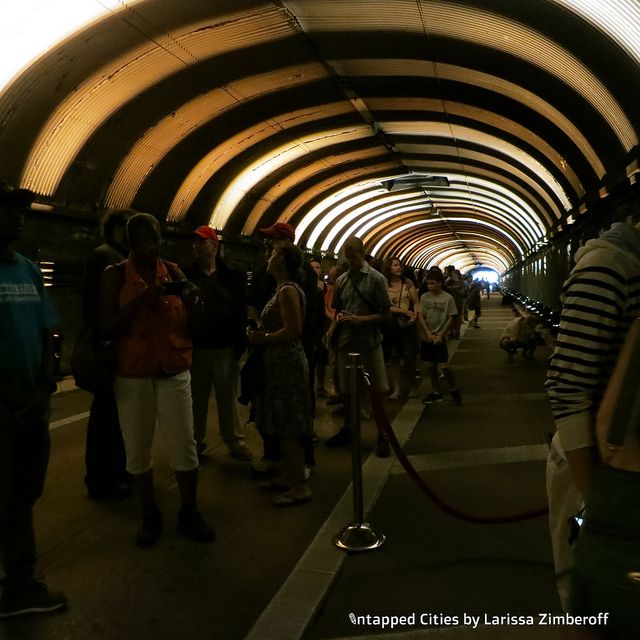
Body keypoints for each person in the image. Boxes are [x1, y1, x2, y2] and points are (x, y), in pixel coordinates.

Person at [99, 213, 214, 548]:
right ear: (131, 243)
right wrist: (143, 299)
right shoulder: (115, 275)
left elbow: (195, 326)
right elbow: (107, 326)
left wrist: (194, 302)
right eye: (147, 240)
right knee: (137, 447)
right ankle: (149, 512)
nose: (154, 247)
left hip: (173, 370)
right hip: (134, 374)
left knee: (184, 444)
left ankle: (189, 510)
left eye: (158, 240)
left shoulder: (174, 272)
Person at [545, 220, 640, 613]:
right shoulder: (608, 265)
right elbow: (569, 388)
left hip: (623, 470)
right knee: (597, 605)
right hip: (597, 464)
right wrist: (599, 502)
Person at [0, 183, 67, 617]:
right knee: (9, 497)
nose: (20, 217)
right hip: (3, 409)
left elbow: (48, 329)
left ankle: (19, 579)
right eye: (10, 210)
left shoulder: (26, 268)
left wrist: (44, 383)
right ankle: (19, 586)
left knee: (24, 492)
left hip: (30, 406)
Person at [247, 222, 319, 475]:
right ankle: (280, 464)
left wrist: (264, 336)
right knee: (274, 413)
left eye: (274, 241)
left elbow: (297, 326)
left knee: (291, 416)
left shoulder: (295, 281)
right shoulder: (266, 274)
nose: (269, 247)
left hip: (289, 354)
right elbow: (253, 302)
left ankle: (299, 470)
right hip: (273, 356)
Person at [184, 226, 251, 461]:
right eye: (196, 243)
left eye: (202, 242)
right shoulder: (187, 276)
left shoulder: (231, 276)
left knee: (227, 396)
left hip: (225, 347)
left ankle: (234, 441)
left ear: (214, 245)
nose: (197, 246)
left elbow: (240, 309)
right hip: (198, 347)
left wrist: (239, 343)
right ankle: (196, 442)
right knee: (196, 398)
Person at [81, 208, 132, 499]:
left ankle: (115, 472)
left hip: (116, 345)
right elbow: (100, 305)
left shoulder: (116, 257)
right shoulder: (105, 257)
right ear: (116, 229)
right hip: (108, 347)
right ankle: (102, 479)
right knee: (106, 415)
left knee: (115, 414)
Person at [325, 236, 392, 457]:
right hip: (347, 342)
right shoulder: (342, 280)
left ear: (362, 254)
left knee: (377, 391)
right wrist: (333, 328)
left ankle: (383, 435)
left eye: (353, 256)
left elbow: (386, 314)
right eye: (347, 256)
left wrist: (362, 320)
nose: (350, 260)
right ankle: (351, 430)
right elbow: (338, 311)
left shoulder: (376, 279)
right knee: (347, 391)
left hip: (370, 342)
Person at [417, 268, 462, 405]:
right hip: (428, 335)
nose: (430, 286)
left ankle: (453, 388)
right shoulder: (424, 297)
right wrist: (427, 333)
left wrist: (442, 334)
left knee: (444, 366)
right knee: (430, 365)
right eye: (428, 284)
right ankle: (436, 391)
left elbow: (451, 317)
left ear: (440, 283)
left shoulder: (448, 298)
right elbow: (421, 316)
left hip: (440, 335)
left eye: (433, 283)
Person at [381, 256, 419, 399]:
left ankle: (413, 386)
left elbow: (416, 302)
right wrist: (403, 311)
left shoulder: (407, 282)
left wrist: (416, 315)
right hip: (391, 324)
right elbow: (384, 306)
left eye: (399, 265)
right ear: (388, 268)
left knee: (410, 358)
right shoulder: (384, 285)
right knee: (394, 358)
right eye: (395, 265)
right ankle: (396, 389)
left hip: (407, 324)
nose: (398, 267)